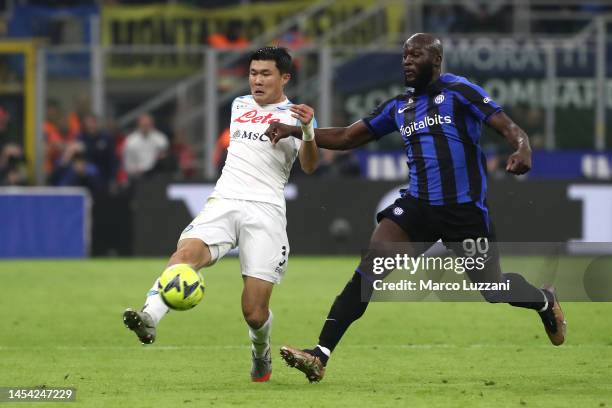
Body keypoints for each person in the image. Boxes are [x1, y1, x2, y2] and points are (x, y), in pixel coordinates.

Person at [265, 33, 566, 383]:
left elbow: (505, 125)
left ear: (436, 60)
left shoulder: (459, 91)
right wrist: (297, 130)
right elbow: (348, 136)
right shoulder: (399, 106)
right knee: (370, 269)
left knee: (493, 289)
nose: (407, 61)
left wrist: (522, 145)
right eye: (404, 55)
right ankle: (320, 355)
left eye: (416, 55)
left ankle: (543, 301)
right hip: (418, 207)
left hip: (463, 213)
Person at [123, 47, 319, 382]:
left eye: (265, 74)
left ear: (284, 77)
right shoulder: (239, 104)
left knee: (254, 313)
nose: (257, 80)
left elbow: (310, 166)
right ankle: (150, 317)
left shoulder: (296, 115)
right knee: (184, 255)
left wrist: (309, 131)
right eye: (253, 73)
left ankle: (261, 353)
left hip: (266, 210)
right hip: (225, 200)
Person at [122, 113, 169, 180]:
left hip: (157, 176)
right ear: (138, 125)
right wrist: (135, 170)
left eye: (148, 125)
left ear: (152, 125)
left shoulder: (160, 139)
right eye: (143, 125)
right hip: (137, 177)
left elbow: (164, 158)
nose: (146, 127)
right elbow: (127, 163)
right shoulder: (130, 141)